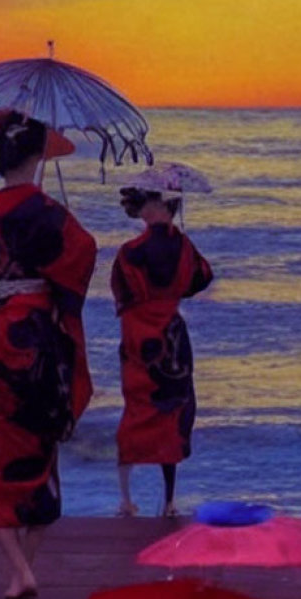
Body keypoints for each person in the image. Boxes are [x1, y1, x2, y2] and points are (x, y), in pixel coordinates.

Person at [0, 109, 97, 599]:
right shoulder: (53, 214)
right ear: (39, 156)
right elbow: (83, 252)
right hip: (37, 332)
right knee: (41, 445)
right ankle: (24, 567)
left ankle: (19, 570)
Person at [111, 177, 213, 517]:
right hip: (172, 336)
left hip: (139, 337)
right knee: (172, 413)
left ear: (155, 205)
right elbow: (201, 278)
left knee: (136, 411)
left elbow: (121, 292)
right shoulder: (185, 248)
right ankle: (168, 501)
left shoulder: (129, 253)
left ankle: (126, 499)